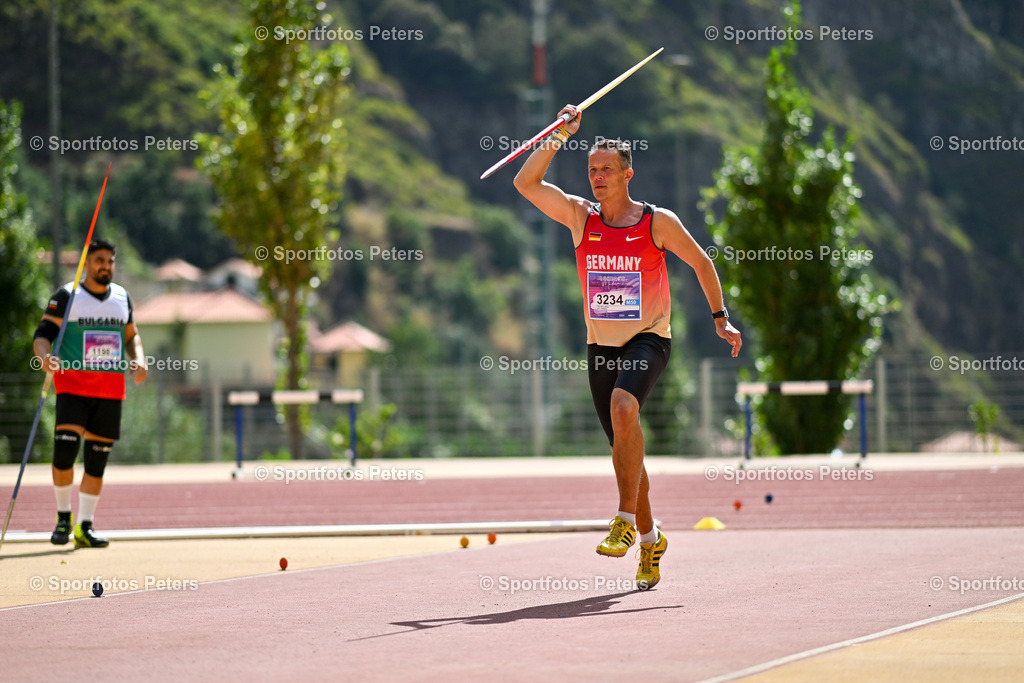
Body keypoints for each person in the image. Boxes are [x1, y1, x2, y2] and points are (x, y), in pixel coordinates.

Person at [513, 105, 741, 589]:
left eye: (607, 170)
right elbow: (526, 184)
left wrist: (720, 319)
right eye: (592, 170)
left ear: (627, 174)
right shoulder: (581, 218)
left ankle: (620, 518)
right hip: (601, 347)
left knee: (623, 409)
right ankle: (651, 538)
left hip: (649, 339)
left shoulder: (657, 222)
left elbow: (701, 263)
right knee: (626, 451)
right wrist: (558, 135)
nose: (597, 178)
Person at [32, 238, 148, 548]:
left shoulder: (122, 297)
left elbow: (132, 336)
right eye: (100, 260)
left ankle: (85, 527)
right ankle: (63, 519)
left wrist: (139, 357)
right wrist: (44, 358)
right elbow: (43, 335)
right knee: (65, 453)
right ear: (86, 263)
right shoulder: (67, 296)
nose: (106, 266)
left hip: (110, 392)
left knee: (97, 463)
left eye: (110, 261)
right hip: (73, 387)